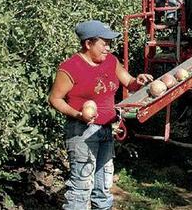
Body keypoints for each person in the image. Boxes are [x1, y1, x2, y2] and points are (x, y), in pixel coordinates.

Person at [48, 20, 153, 209]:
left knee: (103, 185)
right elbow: (55, 99)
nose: (108, 48)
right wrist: (78, 114)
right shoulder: (70, 68)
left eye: (109, 43)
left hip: (106, 129)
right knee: (81, 186)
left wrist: (138, 81)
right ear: (88, 43)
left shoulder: (111, 61)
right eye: (104, 43)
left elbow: (128, 81)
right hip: (82, 132)